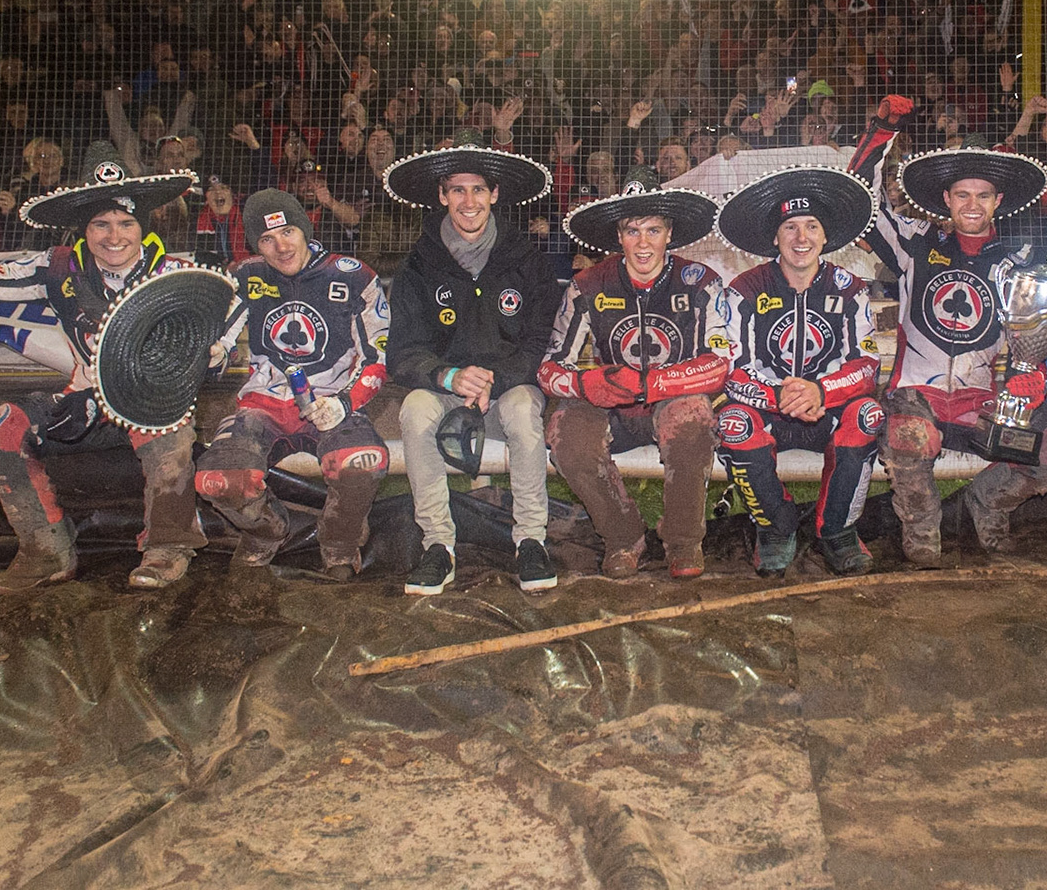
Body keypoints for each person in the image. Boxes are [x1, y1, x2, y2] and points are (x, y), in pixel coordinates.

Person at [0, 162, 204, 591]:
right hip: (81, 403)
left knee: (170, 429)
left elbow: (211, 354)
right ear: (84, 229)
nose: (114, 236)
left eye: (125, 223)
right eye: (100, 224)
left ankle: (168, 549)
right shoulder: (56, 266)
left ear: (142, 227)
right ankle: (46, 553)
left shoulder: (178, 275)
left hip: (153, 404)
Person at [845, 96, 1047, 564]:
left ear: (998, 201)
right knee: (909, 439)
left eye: (983, 195)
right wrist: (882, 129)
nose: (972, 205)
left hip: (980, 402)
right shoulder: (916, 243)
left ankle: (984, 503)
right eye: (962, 194)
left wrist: (1029, 379)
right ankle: (922, 529)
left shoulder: (1019, 263)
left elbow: (1037, 343)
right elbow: (864, 198)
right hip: (916, 397)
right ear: (946, 199)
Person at [384, 145, 561, 596]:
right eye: (457, 190)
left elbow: (537, 342)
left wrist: (494, 380)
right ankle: (439, 544)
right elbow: (402, 352)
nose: (469, 201)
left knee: (524, 411)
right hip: (447, 385)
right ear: (442, 196)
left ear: (494, 193)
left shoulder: (527, 258)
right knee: (415, 408)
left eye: (478, 189)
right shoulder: (419, 265)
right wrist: (447, 377)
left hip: (509, 388)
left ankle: (530, 540)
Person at [537, 172, 728, 578]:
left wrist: (653, 384)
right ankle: (623, 537)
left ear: (669, 232)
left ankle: (682, 542)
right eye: (632, 231)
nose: (643, 243)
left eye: (653, 230)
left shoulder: (700, 282)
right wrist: (588, 383)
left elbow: (719, 363)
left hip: (674, 401)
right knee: (565, 435)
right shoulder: (588, 285)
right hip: (614, 403)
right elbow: (551, 367)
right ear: (618, 235)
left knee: (693, 418)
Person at [198, 191, 391, 579]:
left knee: (363, 462)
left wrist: (344, 402)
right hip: (263, 402)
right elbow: (218, 337)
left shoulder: (353, 277)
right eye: (267, 239)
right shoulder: (247, 276)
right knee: (216, 479)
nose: (281, 247)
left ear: (305, 229)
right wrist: (211, 353)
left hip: (332, 400)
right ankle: (266, 531)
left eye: (288, 232)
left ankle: (340, 542)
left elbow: (377, 359)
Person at [713, 166, 884, 576]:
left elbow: (866, 365)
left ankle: (838, 530)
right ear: (775, 237)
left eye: (811, 227)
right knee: (734, 422)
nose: (801, 238)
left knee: (867, 414)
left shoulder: (850, 288)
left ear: (826, 236)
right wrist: (781, 397)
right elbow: (730, 368)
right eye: (790, 227)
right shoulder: (744, 288)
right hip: (768, 410)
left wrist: (820, 393)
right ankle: (775, 526)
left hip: (826, 409)